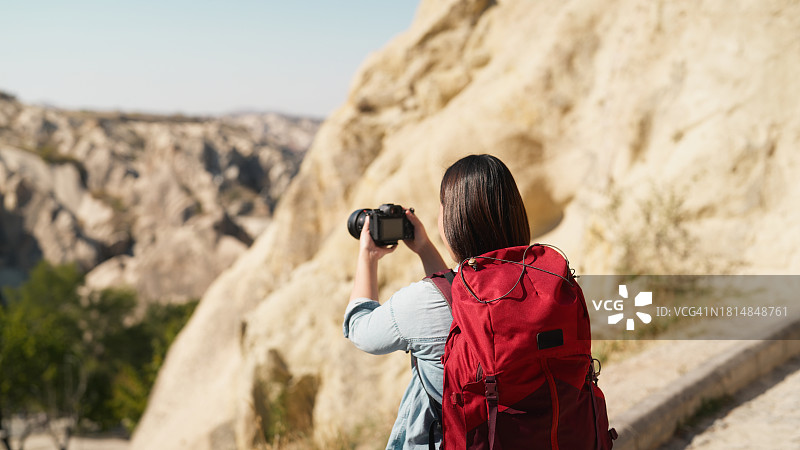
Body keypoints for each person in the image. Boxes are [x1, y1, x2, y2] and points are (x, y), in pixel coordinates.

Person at [342, 154, 531, 449]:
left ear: (455, 219)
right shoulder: (546, 283)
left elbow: (359, 328)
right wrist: (424, 248)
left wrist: (367, 257)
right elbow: (455, 297)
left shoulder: (423, 302)